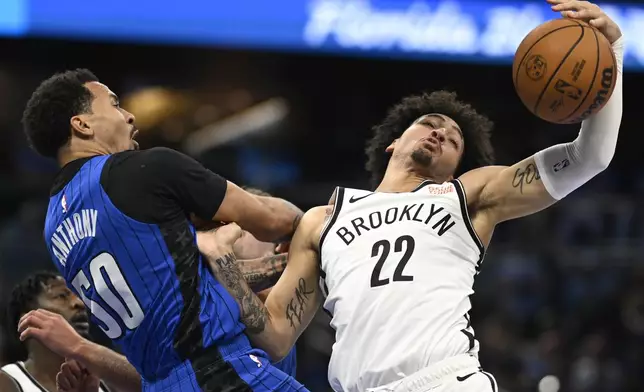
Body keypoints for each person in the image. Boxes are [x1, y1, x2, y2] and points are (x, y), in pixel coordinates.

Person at [197, 2, 624, 391]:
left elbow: (590, 157)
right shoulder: (323, 219)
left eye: (454, 139)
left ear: (456, 167)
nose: (441, 132)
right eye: (431, 123)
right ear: (393, 142)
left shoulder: (466, 196)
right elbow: (274, 335)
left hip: (445, 380)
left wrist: (614, 51)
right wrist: (222, 262)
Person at [18, 69, 307, 391]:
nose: (129, 116)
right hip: (224, 373)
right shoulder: (144, 169)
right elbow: (271, 219)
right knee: (319, 224)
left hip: (161, 383)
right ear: (82, 124)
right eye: (114, 105)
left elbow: (169, 288)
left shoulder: (53, 229)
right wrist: (310, 227)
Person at [0, 271, 136, 391]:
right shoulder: (7, 381)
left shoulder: (106, 381)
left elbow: (153, 381)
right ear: (27, 319)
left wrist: (81, 347)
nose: (80, 303)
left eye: (78, 296)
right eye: (62, 296)